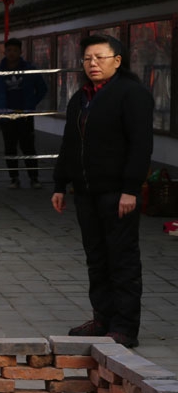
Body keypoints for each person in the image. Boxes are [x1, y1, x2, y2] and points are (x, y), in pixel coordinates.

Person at [52, 35, 154, 348]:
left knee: (121, 259)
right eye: (87, 59)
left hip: (117, 193)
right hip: (86, 192)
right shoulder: (80, 98)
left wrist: (130, 189)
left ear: (118, 61)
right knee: (96, 258)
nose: (93, 64)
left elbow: (140, 145)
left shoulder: (131, 94)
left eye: (100, 57)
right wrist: (60, 185)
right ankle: (102, 318)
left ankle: (124, 327)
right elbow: (69, 144)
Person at [0, 37, 48, 189]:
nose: (12, 53)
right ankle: (14, 178)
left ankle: (34, 178)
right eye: (9, 50)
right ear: (5, 52)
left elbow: (42, 89)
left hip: (24, 116)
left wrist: (31, 104)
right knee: (10, 148)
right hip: (6, 117)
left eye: (15, 50)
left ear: (20, 52)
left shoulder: (30, 70)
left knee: (28, 147)